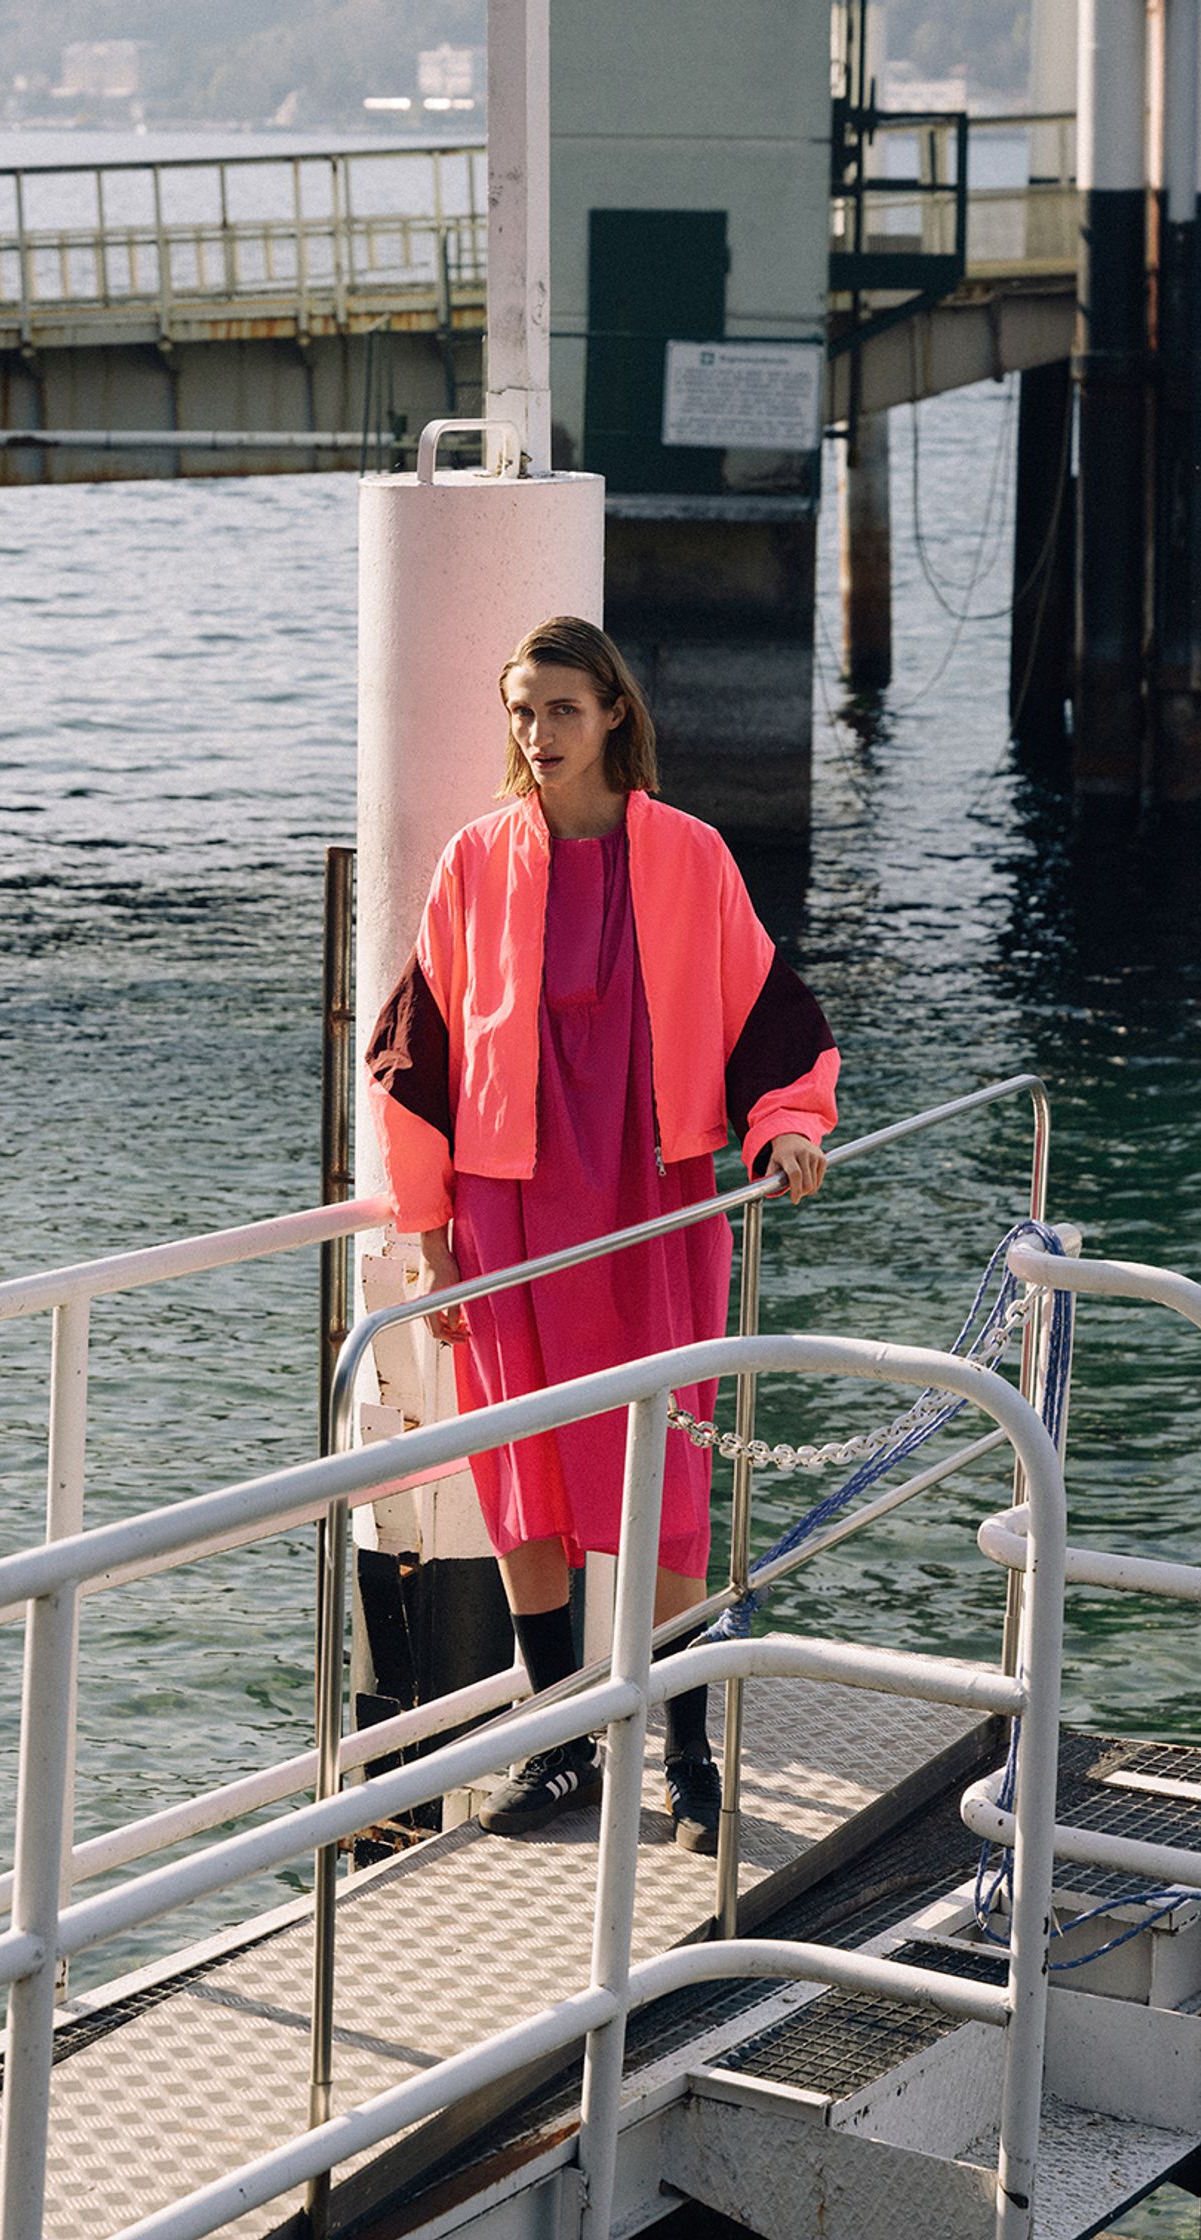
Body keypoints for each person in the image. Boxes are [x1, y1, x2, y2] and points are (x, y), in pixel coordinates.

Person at [365, 616, 838, 1848]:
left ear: (614, 712)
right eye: (521, 710)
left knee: (669, 1471)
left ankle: (684, 1751)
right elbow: (417, 1055)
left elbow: (768, 1019)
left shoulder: (690, 855)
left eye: (561, 709)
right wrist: (428, 1222)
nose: (537, 734)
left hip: (655, 1195)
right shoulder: (475, 860)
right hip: (511, 1203)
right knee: (525, 1465)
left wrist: (785, 1125)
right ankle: (563, 1743)